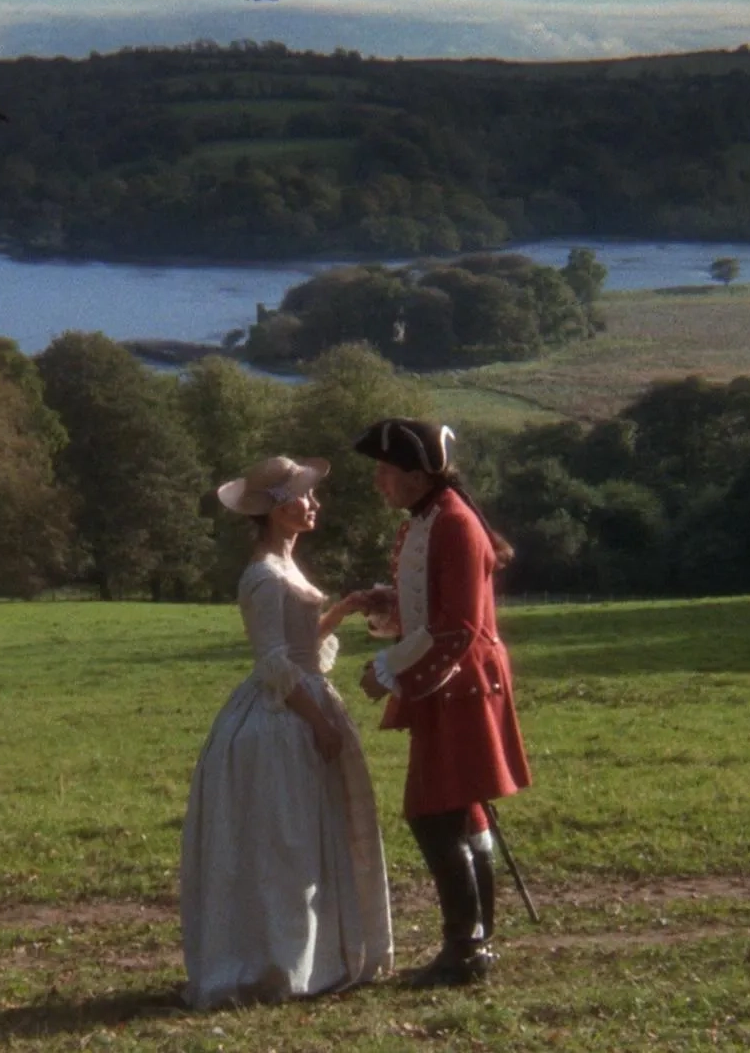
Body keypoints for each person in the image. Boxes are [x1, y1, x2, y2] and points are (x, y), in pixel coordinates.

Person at [179, 455, 393, 1010]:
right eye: (303, 496)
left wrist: (340, 611)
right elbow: (274, 661)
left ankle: (314, 956)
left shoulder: (286, 567)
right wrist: (319, 720)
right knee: (282, 839)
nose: (314, 504)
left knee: (306, 834)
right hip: (279, 719)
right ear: (277, 510)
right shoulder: (263, 574)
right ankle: (274, 959)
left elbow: (298, 642)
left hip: (300, 702)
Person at [352, 418, 532, 988]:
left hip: (458, 682)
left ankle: (465, 949)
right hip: (447, 682)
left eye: (385, 471)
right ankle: (475, 942)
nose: (379, 482)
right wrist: (386, 603)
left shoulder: (452, 523)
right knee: (461, 811)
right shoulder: (426, 521)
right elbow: (430, 607)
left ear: (415, 475)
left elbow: (456, 627)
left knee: (433, 813)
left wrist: (388, 669)